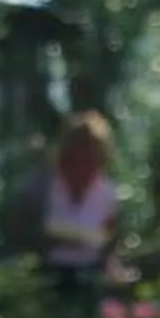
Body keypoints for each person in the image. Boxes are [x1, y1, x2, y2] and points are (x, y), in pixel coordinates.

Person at [39, 112, 121, 279]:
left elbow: (108, 244)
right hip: (45, 274)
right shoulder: (42, 188)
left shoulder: (108, 194)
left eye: (89, 162)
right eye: (75, 161)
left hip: (89, 274)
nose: (81, 170)